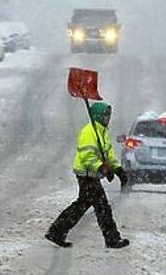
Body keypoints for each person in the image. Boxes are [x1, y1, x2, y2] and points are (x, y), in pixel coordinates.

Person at [45, 102, 129, 249]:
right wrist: (101, 167)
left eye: (109, 115)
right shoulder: (89, 132)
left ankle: (57, 231)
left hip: (92, 174)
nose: (108, 118)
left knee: (83, 204)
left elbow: (108, 154)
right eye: (105, 115)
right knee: (102, 206)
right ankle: (112, 238)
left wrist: (118, 169)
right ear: (98, 116)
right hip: (86, 174)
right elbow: (87, 157)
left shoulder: (102, 132)